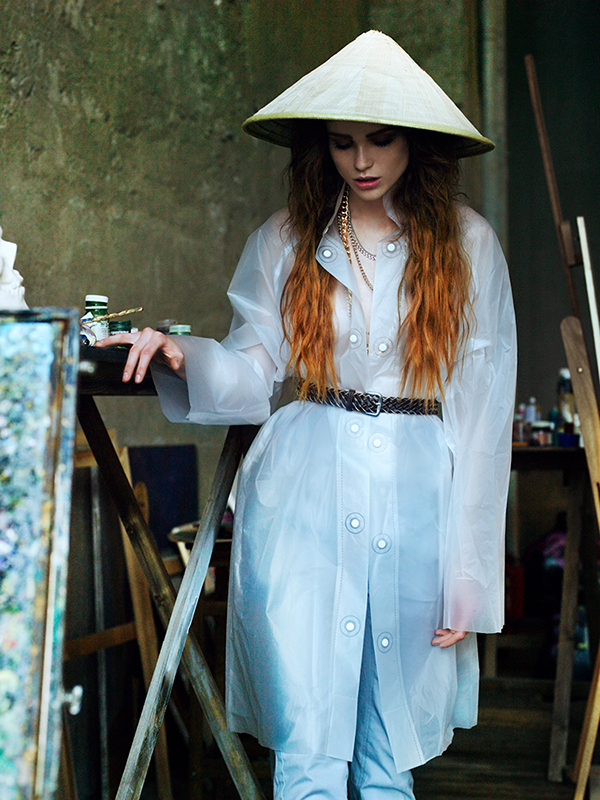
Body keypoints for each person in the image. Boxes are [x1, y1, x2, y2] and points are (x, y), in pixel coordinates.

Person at [99, 30, 516, 800]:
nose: (361, 160)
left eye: (380, 140)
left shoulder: (467, 245)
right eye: (342, 142)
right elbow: (255, 365)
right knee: (306, 733)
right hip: (304, 491)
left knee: (389, 744)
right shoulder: (286, 239)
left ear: (416, 143)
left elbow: (484, 414)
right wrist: (186, 355)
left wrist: (470, 573)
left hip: (419, 495)